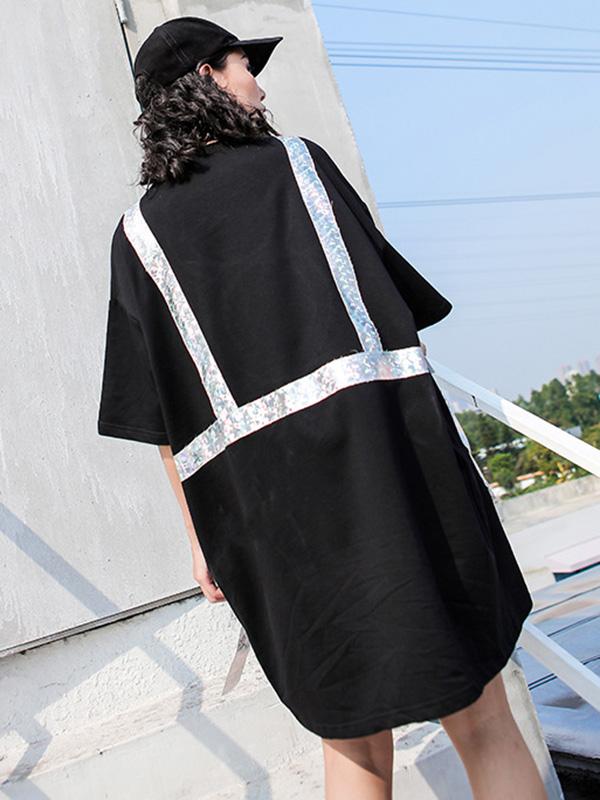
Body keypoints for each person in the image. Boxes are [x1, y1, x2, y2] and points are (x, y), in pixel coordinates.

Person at [97, 16, 547, 800]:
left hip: (277, 529)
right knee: (480, 715)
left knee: (354, 744)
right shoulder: (299, 166)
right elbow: (398, 320)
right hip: (394, 483)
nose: (257, 82)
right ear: (206, 77)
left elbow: (160, 419)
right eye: (243, 64)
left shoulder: (136, 238)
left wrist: (202, 543)